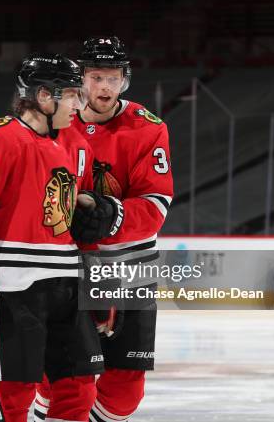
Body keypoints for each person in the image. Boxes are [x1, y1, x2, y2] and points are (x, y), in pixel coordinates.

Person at [0, 54, 123, 422]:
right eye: (70, 95)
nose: (79, 104)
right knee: (12, 395)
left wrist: (96, 280)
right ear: (42, 95)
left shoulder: (73, 146)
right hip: (15, 287)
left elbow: (75, 227)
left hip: (66, 283)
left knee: (78, 389)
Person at [34, 37, 174, 422]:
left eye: (113, 78)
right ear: (81, 79)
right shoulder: (57, 124)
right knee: (58, 378)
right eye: (96, 77)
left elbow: (156, 203)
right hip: (70, 270)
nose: (105, 88)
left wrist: (112, 217)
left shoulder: (148, 128)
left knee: (125, 389)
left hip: (129, 270)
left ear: (124, 80)